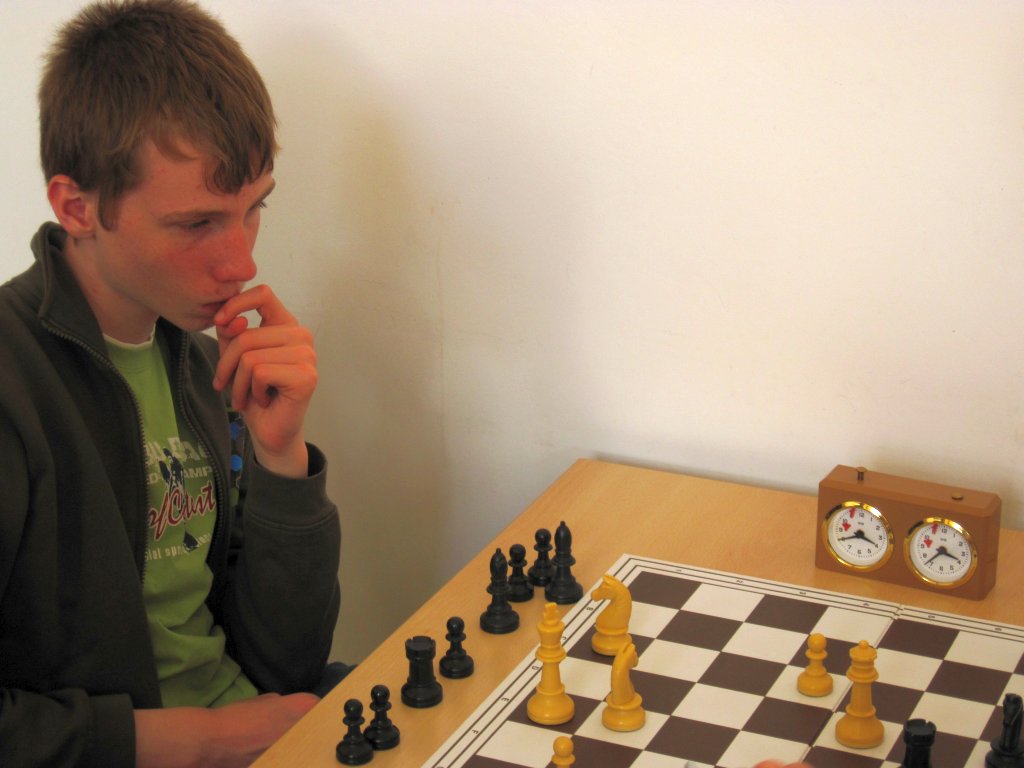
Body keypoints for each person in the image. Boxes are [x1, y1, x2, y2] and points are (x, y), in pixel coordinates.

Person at [0, 1, 342, 766]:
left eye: (254, 209)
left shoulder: (198, 363)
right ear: (76, 207)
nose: (242, 262)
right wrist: (199, 741)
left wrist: (281, 461)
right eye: (197, 224)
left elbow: (288, 661)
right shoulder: (12, 383)